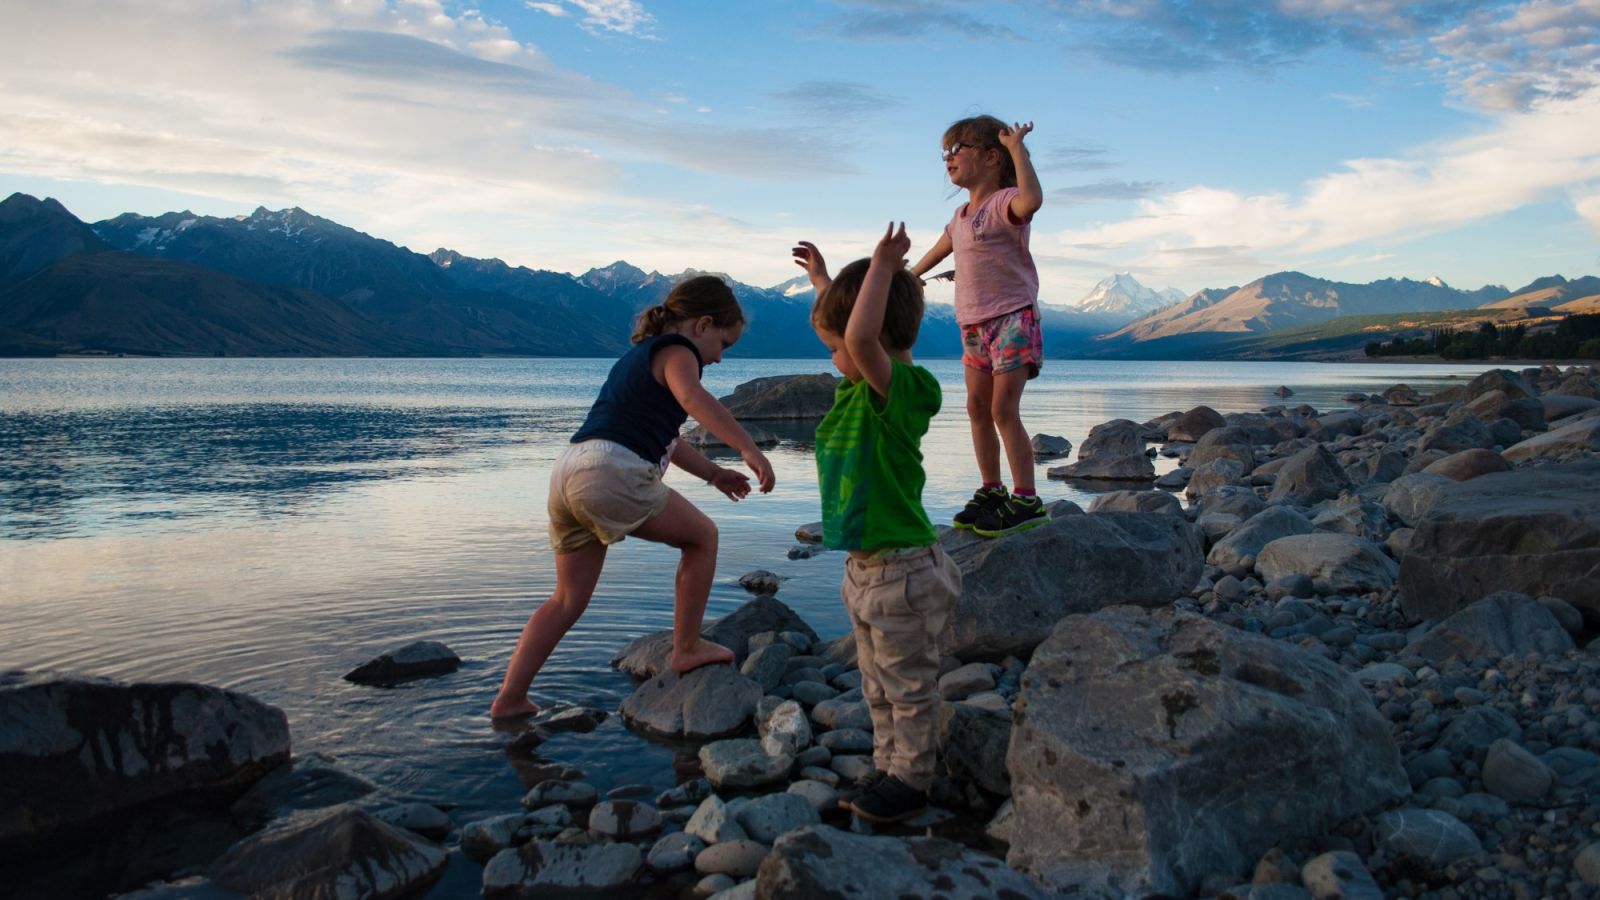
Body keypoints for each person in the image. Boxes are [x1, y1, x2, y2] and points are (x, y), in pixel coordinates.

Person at [489, 275, 776, 719]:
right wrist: (747, 447)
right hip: (611, 472)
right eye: (724, 343)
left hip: (569, 470)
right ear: (701, 325)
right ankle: (686, 647)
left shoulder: (638, 359)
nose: (719, 357)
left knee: (566, 599)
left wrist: (714, 473)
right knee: (702, 538)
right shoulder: (680, 353)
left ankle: (510, 698)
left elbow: (670, 441)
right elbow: (693, 397)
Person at [792, 223, 963, 824]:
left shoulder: (901, 389)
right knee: (878, 684)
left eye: (835, 347)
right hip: (866, 569)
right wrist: (824, 281)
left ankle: (912, 781)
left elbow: (863, 336)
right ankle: (891, 768)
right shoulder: (859, 388)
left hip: (903, 571)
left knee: (908, 685)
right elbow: (853, 330)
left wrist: (886, 268)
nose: (835, 357)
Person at [909, 115, 1046, 538]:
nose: (948, 158)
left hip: (1012, 318)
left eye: (958, 149)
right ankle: (991, 488)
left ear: (990, 157)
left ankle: (1027, 499)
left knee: (1003, 409)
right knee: (976, 408)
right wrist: (906, 276)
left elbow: (1033, 201)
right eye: (945, 152)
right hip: (972, 324)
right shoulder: (960, 215)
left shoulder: (1005, 202)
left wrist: (1017, 149)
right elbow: (937, 251)